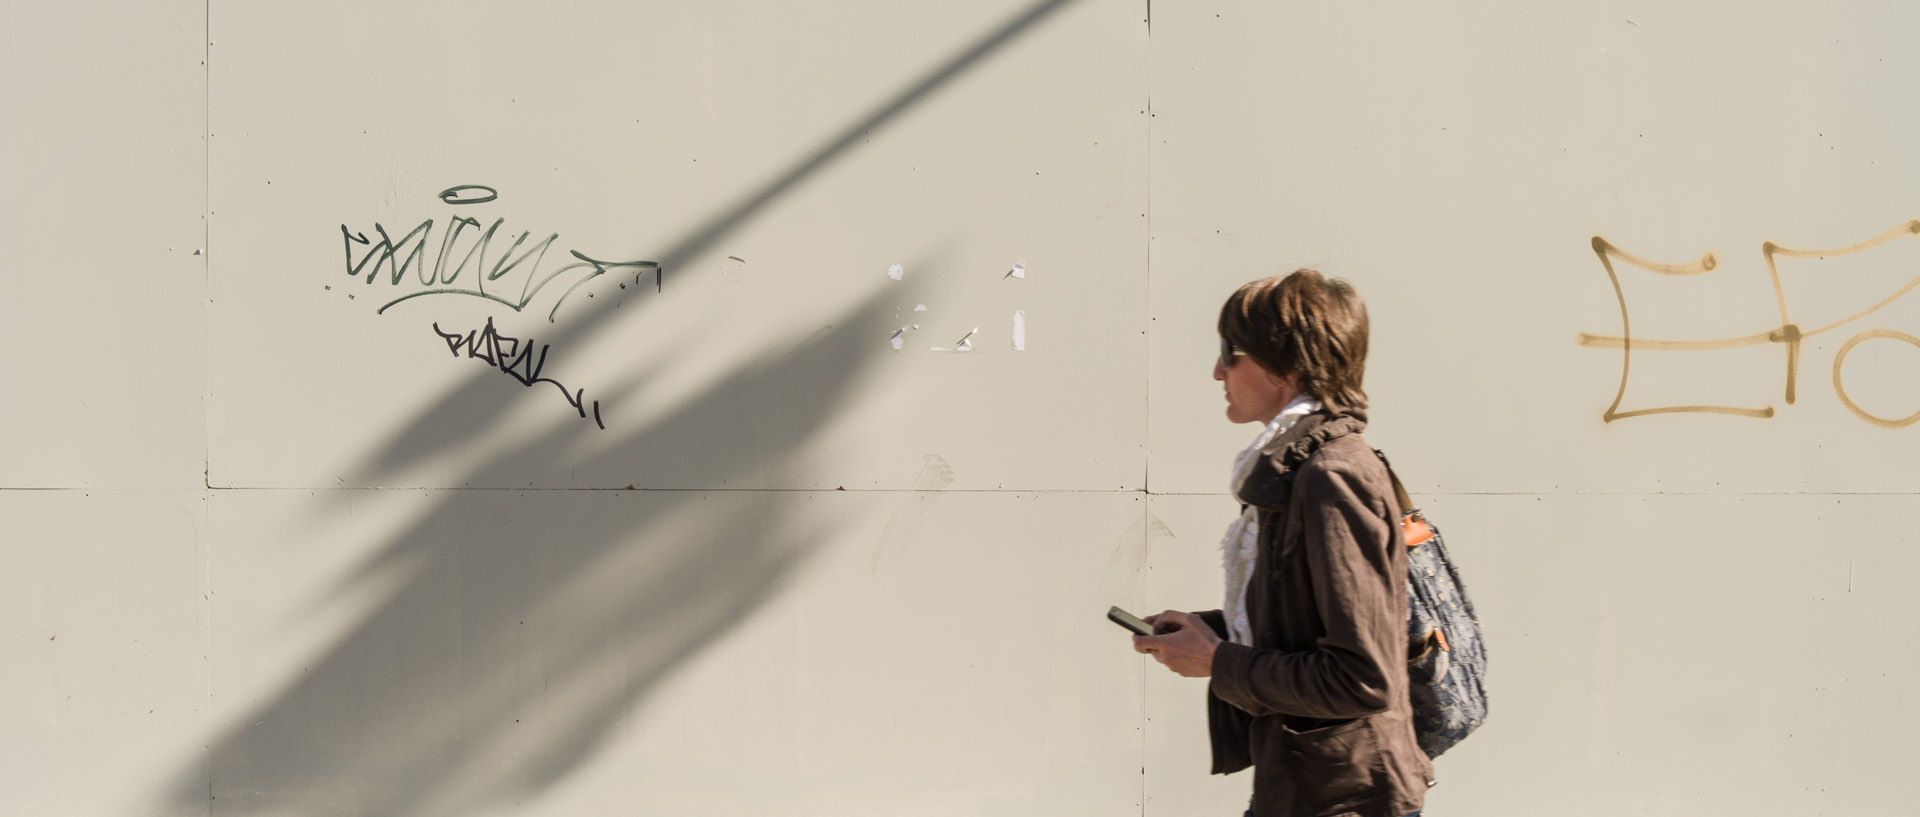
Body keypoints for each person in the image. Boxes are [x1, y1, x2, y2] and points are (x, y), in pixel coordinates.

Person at [1133, 270, 1434, 817]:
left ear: (1286, 366)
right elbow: (1308, 627)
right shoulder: (1293, 469)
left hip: (1348, 799)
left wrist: (1220, 661)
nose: (1217, 370)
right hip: (1309, 787)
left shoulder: (1330, 475)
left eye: (1232, 352)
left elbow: (1362, 678)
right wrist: (1210, 633)